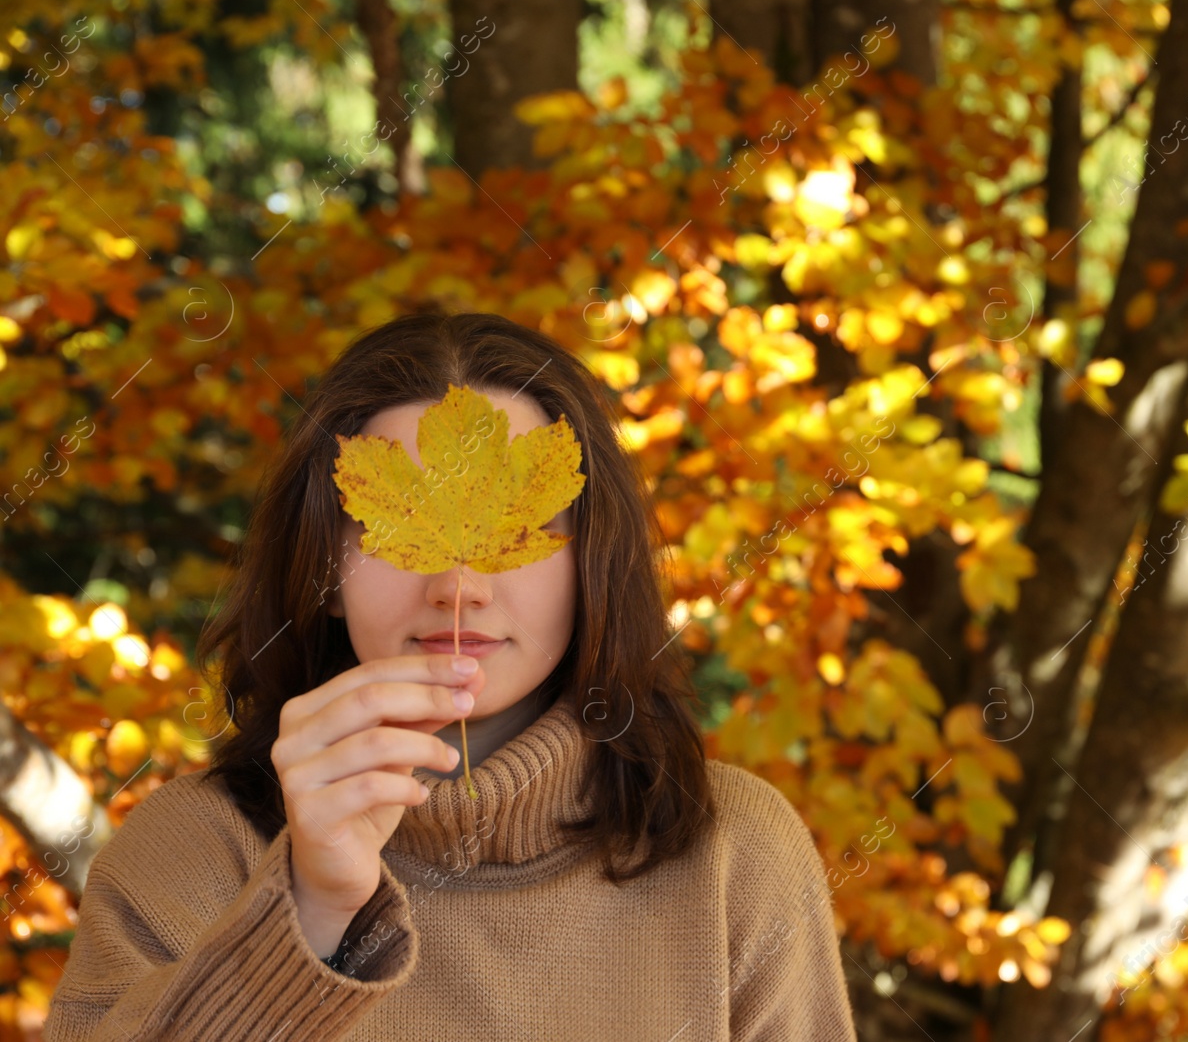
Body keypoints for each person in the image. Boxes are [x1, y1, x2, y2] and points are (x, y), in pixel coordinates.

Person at [42, 312, 857, 1041]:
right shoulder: (182, 855)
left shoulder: (736, 857)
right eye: (397, 528)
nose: (458, 585)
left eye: (525, 528)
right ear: (325, 560)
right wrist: (309, 911)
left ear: (594, 563)